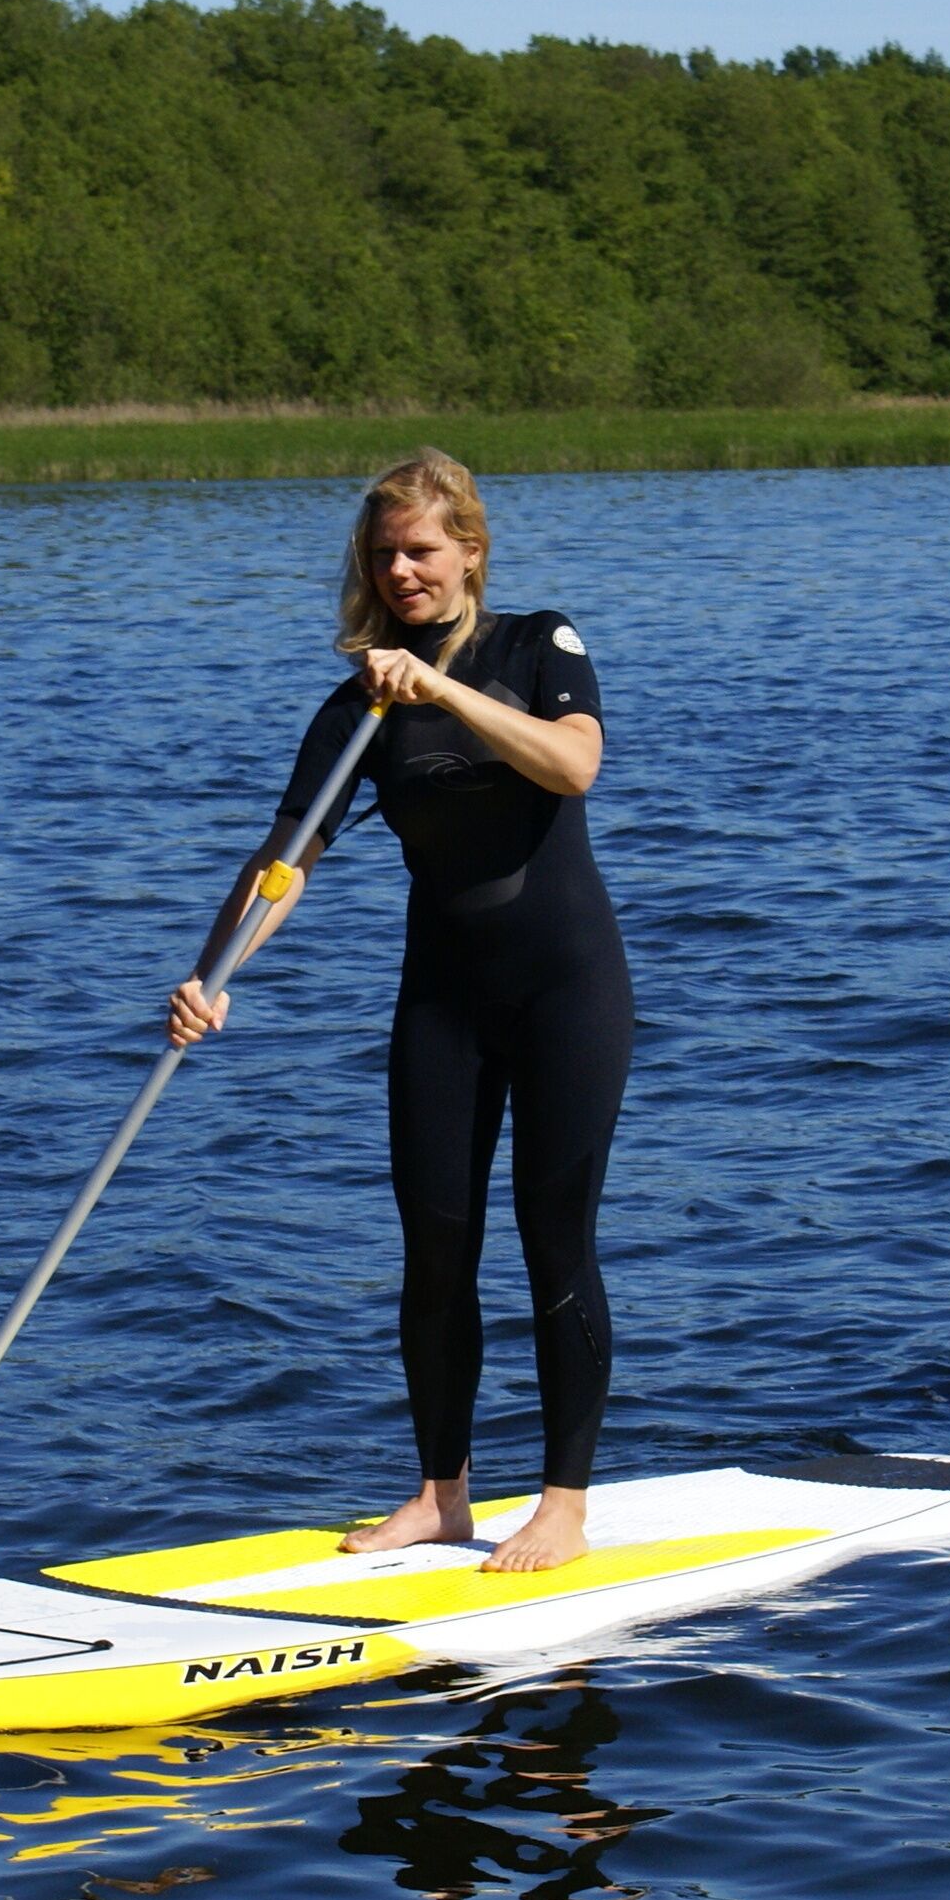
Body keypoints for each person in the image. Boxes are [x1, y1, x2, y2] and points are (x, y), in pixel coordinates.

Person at [167, 450, 631, 1572]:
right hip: (444, 999)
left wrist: (442, 688)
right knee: (435, 1243)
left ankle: (562, 1506)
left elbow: (574, 767)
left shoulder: (539, 644)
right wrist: (210, 974)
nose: (401, 572)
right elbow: (286, 859)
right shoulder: (357, 708)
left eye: (421, 550)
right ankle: (441, 1494)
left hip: (567, 989)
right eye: (383, 555)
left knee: (552, 1235)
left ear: (469, 550)